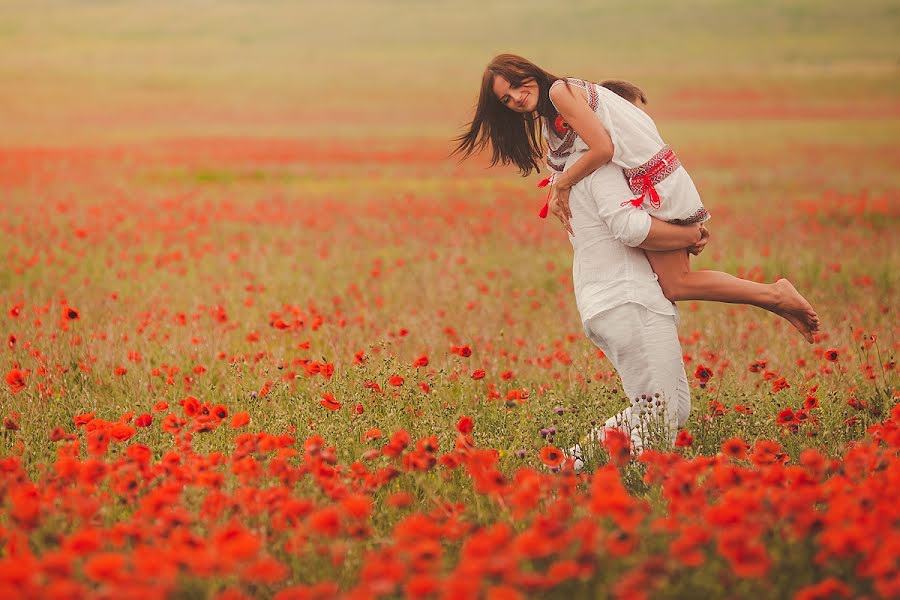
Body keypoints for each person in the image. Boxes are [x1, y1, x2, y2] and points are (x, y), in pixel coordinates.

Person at [453, 54, 820, 344]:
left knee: (678, 283)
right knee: (677, 284)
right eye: (506, 99)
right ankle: (774, 297)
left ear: (529, 71)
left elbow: (603, 148)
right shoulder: (551, 120)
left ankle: (775, 295)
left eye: (517, 84)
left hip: (653, 186)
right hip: (643, 188)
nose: (516, 97)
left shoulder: (558, 92)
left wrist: (563, 183)